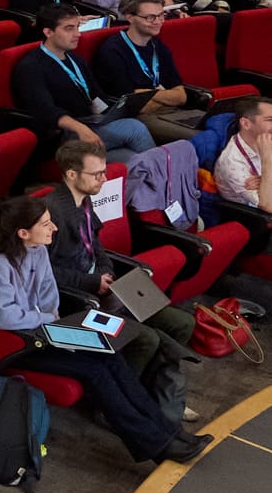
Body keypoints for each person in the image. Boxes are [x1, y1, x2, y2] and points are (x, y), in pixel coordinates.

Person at [0, 196, 202, 464]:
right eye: (45, 224)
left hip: (43, 331)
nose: (53, 228)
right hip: (15, 343)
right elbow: (3, 317)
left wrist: (52, 321)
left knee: (110, 355)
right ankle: (156, 445)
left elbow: (48, 294)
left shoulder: (38, 250)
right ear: (23, 233)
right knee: (95, 371)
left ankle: (169, 431)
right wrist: (45, 320)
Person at [46, 136, 195, 417]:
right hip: (77, 299)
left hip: (103, 286)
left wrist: (106, 272)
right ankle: (115, 402)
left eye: (104, 171)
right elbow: (43, 273)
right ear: (71, 174)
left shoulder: (85, 201)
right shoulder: (52, 212)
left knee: (182, 323)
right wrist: (93, 283)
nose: (103, 179)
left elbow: (98, 247)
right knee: (147, 339)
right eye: (96, 173)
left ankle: (154, 394)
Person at [14, 1, 155, 159]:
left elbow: (95, 96)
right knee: (135, 129)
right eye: (69, 28)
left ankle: (160, 178)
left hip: (91, 124)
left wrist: (118, 110)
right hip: (63, 135)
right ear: (48, 32)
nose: (78, 34)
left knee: (134, 159)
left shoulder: (76, 60)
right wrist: (81, 129)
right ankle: (164, 177)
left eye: (77, 27)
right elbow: (46, 111)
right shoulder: (31, 66)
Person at [92, 0, 203, 145]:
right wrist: (163, 95)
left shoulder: (158, 47)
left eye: (160, 15)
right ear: (130, 17)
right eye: (150, 17)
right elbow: (134, 105)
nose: (158, 22)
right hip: (140, 118)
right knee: (200, 138)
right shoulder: (112, 51)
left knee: (225, 125)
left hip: (172, 112)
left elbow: (181, 96)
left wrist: (148, 93)